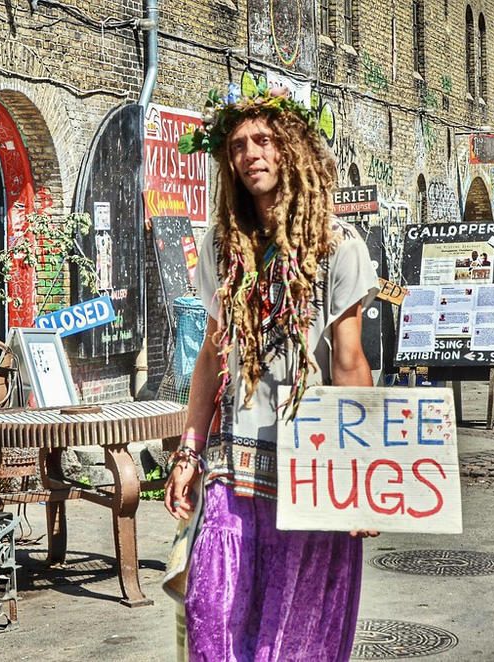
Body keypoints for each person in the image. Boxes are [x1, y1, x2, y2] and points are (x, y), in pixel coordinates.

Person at [167, 83, 379, 661]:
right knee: (213, 619)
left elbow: (349, 361)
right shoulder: (219, 247)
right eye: (237, 145)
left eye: (263, 139)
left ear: (291, 149)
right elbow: (212, 356)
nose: (250, 153)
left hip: (310, 469)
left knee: (294, 636)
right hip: (234, 468)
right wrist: (189, 449)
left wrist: (360, 482)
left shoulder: (337, 245)